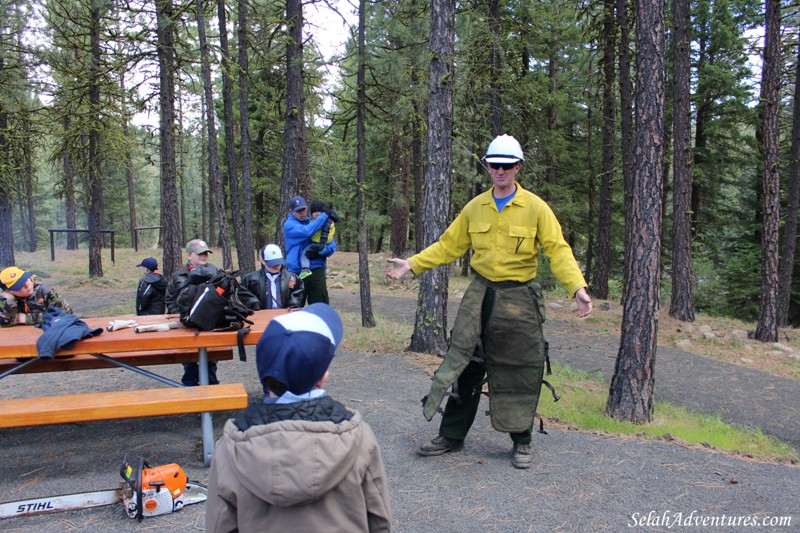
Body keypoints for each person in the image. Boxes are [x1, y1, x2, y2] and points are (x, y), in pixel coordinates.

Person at [385, 134, 593, 469]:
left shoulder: (536, 208)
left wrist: (577, 288)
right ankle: (451, 435)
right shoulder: (475, 207)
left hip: (519, 299)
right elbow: (448, 246)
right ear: (487, 166)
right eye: (494, 164)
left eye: (507, 165)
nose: (500, 170)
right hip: (480, 295)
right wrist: (412, 264)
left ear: (518, 167)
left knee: (519, 369)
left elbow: (558, 250)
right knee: (465, 364)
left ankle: (521, 441)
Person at [206, 303, 392, 532]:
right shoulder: (359, 437)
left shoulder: (230, 447)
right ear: (322, 378)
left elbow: (220, 525)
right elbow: (379, 518)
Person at [165, 239, 223, 386]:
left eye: (205, 253)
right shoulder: (177, 276)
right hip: (185, 325)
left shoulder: (215, 272)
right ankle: (190, 387)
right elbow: (170, 299)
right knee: (188, 361)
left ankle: (211, 387)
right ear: (189, 255)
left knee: (211, 361)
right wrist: (179, 314)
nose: (203, 256)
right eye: (199, 254)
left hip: (208, 323)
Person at [283, 195, 337, 305]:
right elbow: (307, 231)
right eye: (299, 211)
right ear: (291, 211)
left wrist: (321, 250)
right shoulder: (289, 225)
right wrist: (325, 215)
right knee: (294, 308)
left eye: (304, 209)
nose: (302, 213)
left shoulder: (314, 223)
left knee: (320, 307)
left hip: (316, 269)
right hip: (296, 272)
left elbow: (331, 246)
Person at [0, 266, 73, 327]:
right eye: (19, 286)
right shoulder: (5, 298)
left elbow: (65, 315)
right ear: (8, 291)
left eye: (25, 279)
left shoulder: (44, 291)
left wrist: (26, 318)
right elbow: (5, 323)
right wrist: (8, 301)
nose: (26, 285)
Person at [240, 243, 304, 310]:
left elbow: (298, 292)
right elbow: (243, 292)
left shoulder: (291, 277)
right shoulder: (250, 279)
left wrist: (294, 303)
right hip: (261, 315)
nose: (276, 265)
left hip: (285, 315)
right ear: (262, 261)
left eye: (278, 262)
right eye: (272, 263)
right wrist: (253, 303)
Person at [298, 199, 336, 280]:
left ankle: (305, 269)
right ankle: (325, 269)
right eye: (314, 212)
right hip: (324, 243)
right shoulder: (329, 221)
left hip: (318, 243)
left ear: (322, 212)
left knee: (304, 254)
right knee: (322, 256)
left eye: (318, 212)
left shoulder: (321, 222)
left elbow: (313, 232)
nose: (316, 214)